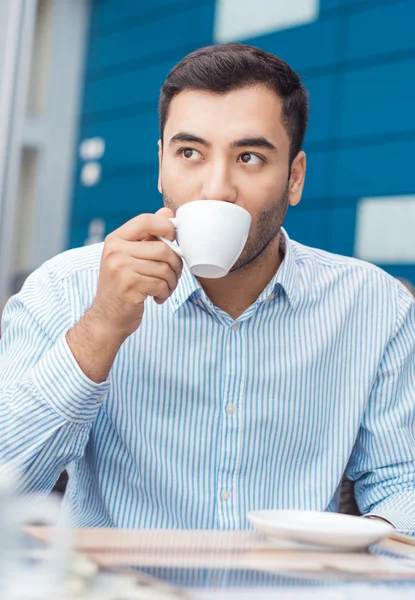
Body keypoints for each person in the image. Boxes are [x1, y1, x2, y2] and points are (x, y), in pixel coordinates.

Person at [1, 43, 414, 530]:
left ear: (294, 178)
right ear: (161, 166)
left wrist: (372, 549)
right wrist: (100, 328)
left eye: (250, 157)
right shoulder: (63, 289)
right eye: (190, 153)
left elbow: (400, 480)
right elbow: (9, 484)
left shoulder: (375, 306)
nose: (216, 187)